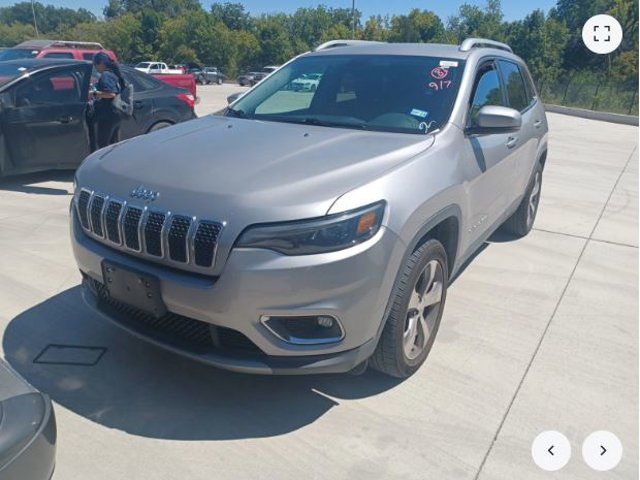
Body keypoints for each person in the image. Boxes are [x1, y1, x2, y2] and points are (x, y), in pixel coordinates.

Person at [91, 52, 125, 149]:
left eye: (95, 64)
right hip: (116, 114)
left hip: (108, 115)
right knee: (113, 144)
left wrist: (93, 93)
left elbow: (111, 94)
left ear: (101, 63)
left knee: (103, 145)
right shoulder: (114, 73)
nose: (95, 67)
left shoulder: (106, 75)